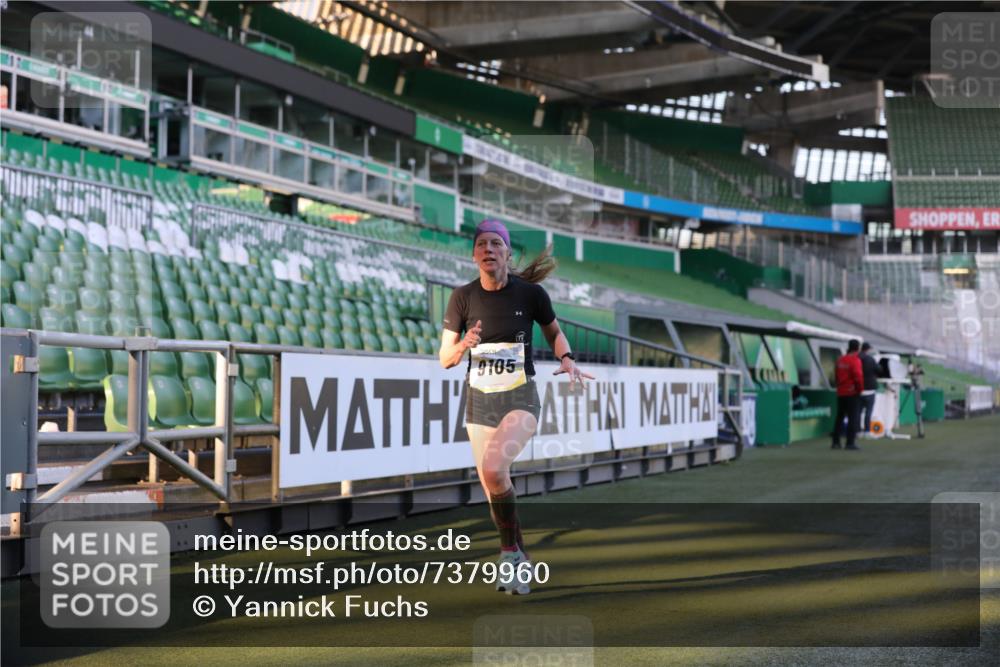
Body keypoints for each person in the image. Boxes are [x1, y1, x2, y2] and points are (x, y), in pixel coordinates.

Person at [438, 219, 594, 595]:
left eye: (495, 244)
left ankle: (509, 555)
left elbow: (553, 332)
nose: (488, 250)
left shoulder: (531, 295)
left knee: (494, 467)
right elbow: (445, 358)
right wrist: (464, 345)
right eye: (481, 245)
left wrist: (567, 357)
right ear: (474, 255)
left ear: (507, 253)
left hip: (519, 397)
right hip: (479, 400)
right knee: (494, 484)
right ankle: (518, 557)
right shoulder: (462, 297)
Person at [832, 339, 864, 450]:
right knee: (852, 418)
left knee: (839, 417)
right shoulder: (855, 360)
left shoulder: (840, 360)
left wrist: (839, 386)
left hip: (841, 392)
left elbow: (836, 375)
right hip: (852, 393)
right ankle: (850, 443)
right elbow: (858, 377)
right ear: (858, 348)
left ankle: (835, 442)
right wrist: (860, 389)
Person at [857, 342, 879, 437]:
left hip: (858, 389)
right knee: (868, 412)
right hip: (869, 389)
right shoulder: (870, 359)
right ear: (868, 349)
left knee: (857, 412)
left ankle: (857, 431)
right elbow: (878, 370)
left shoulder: (856, 358)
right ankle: (867, 431)